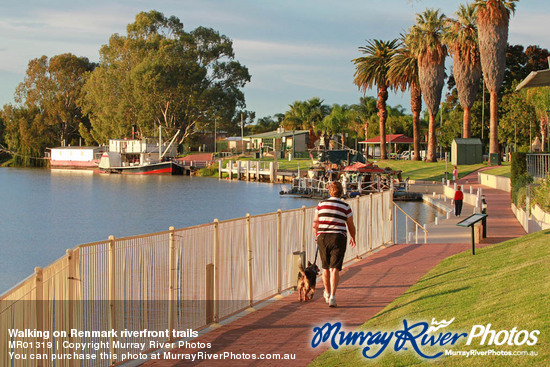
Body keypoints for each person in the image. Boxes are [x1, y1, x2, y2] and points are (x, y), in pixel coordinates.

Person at [312, 181, 356, 307]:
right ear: (341, 192)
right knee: (334, 268)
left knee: (325, 267)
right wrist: (353, 237)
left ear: (329, 191)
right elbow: (351, 226)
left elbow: (315, 224)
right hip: (338, 237)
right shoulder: (346, 206)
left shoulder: (321, 205)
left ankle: (326, 291)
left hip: (323, 237)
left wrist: (317, 236)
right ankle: (333, 296)